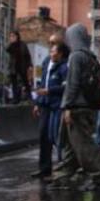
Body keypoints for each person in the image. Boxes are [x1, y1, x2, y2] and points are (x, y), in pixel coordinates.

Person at [59, 23, 100, 190]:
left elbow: (73, 84)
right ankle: (62, 176)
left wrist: (67, 106)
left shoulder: (75, 56)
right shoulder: (91, 57)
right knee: (72, 146)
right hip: (88, 106)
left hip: (76, 107)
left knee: (83, 146)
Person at [31, 40, 69, 181]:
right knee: (43, 135)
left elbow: (65, 87)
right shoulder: (47, 62)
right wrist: (37, 103)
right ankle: (44, 168)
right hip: (45, 104)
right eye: (51, 50)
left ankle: (63, 166)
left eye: (54, 51)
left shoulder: (64, 67)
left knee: (56, 136)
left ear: (60, 53)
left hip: (57, 105)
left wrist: (50, 91)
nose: (51, 53)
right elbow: (42, 82)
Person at [6, 30, 32, 104]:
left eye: (13, 36)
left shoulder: (23, 44)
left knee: (25, 82)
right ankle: (15, 99)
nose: (11, 37)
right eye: (10, 36)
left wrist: (30, 65)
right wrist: (11, 43)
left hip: (22, 66)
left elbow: (28, 56)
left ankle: (29, 97)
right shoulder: (11, 45)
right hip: (13, 67)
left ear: (17, 36)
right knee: (14, 83)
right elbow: (7, 49)